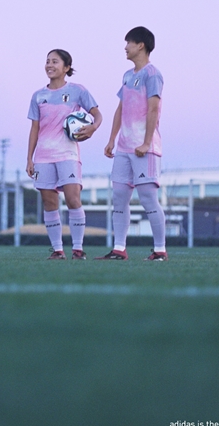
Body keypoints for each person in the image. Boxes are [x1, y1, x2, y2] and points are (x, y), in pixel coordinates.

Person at [97, 26, 167, 261]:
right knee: (119, 197)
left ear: (141, 45)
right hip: (124, 149)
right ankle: (119, 248)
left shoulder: (153, 74)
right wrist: (111, 139)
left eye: (128, 43)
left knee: (148, 198)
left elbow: (154, 108)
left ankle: (160, 250)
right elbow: (120, 108)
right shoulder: (127, 76)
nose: (125, 47)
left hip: (145, 149)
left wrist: (146, 143)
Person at [26, 49, 102, 260]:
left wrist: (92, 128)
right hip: (43, 156)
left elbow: (97, 114)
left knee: (72, 199)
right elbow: (34, 129)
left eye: (55, 62)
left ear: (66, 67)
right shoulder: (38, 95)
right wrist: (29, 158)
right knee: (50, 202)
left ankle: (78, 248)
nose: (50, 65)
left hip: (68, 154)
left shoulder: (78, 91)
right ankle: (57, 250)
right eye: (47, 61)